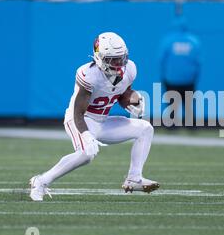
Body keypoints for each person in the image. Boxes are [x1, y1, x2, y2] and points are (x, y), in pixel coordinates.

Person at [29, 32, 159, 201]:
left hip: (102, 121)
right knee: (86, 154)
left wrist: (133, 101)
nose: (119, 63)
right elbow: (77, 113)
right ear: (100, 57)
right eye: (113, 59)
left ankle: (134, 178)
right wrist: (87, 135)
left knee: (145, 129)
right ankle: (40, 182)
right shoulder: (89, 75)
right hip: (80, 120)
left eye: (121, 58)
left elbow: (121, 94)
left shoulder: (130, 69)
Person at [159, 15, 201, 127]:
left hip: (171, 78)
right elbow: (198, 61)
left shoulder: (168, 40)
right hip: (189, 79)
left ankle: (171, 127)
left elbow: (161, 59)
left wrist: (164, 76)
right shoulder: (194, 41)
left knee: (172, 106)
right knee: (188, 105)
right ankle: (191, 127)